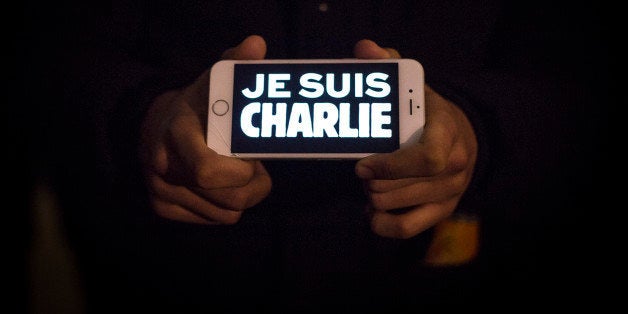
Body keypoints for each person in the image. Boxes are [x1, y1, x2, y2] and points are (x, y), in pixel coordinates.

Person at [24, 0, 607, 312]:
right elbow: (44, 42)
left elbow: (579, 63)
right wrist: (136, 116)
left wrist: (483, 128)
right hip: (170, 275)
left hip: (446, 277)